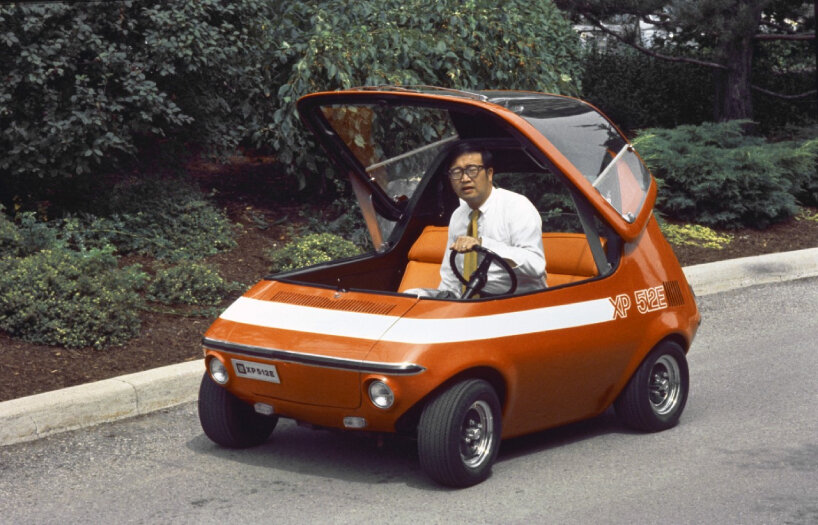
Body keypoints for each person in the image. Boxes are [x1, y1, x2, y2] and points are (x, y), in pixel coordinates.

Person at [413, 144, 547, 298]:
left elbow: (536, 265)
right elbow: (450, 275)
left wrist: (483, 244)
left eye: (472, 170)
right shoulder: (458, 215)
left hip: (520, 303)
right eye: (456, 172)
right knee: (411, 295)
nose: (464, 178)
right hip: (471, 303)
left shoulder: (516, 206)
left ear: (489, 174)